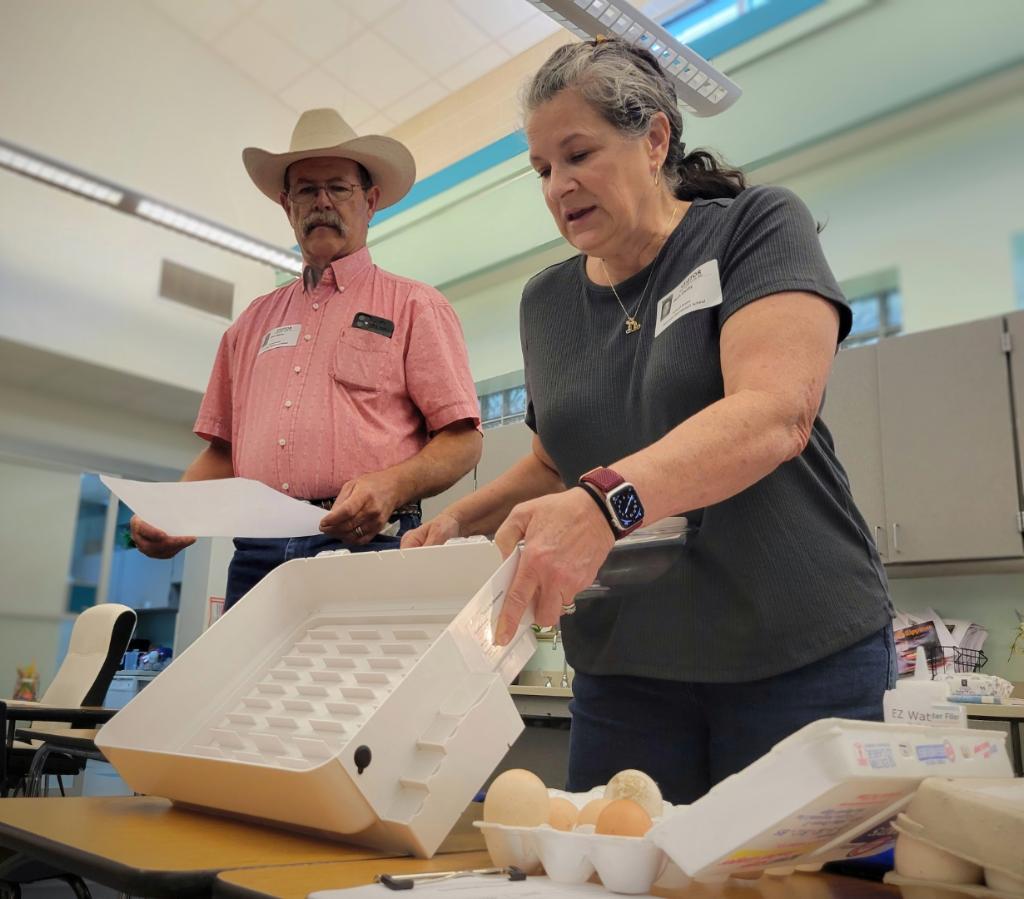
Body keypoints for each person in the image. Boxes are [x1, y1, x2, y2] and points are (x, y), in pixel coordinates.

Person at [402, 40, 895, 804]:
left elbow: (774, 415)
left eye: (578, 154)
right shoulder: (547, 303)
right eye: (541, 169)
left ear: (656, 137)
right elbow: (551, 459)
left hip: (796, 653)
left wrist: (605, 504)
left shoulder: (752, 228)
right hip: (627, 673)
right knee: (619, 873)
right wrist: (462, 516)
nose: (559, 185)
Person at [131, 108, 481, 609]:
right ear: (286, 205)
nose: (322, 203)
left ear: (370, 200)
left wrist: (391, 484)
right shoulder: (250, 324)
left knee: (358, 689)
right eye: (306, 190)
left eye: (338, 188)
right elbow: (223, 452)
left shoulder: (415, 306)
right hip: (257, 555)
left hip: (370, 546)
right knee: (248, 690)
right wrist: (175, 512)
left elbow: (463, 439)